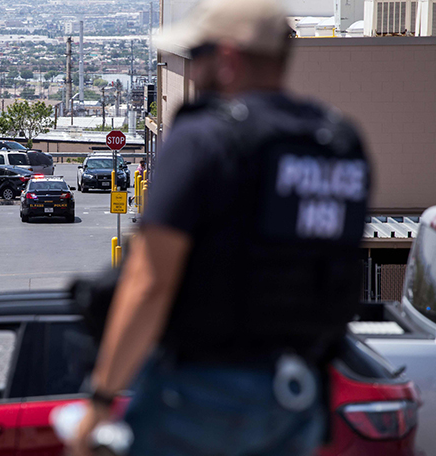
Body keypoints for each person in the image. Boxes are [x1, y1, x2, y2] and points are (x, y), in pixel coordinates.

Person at [69, 0, 370, 455]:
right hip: (298, 394)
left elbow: (149, 282)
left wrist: (101, 400)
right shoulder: (339, 144)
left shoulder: (206, 139)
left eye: (198, 55)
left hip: (201, 393)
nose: (192, 68)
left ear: (227, 59)